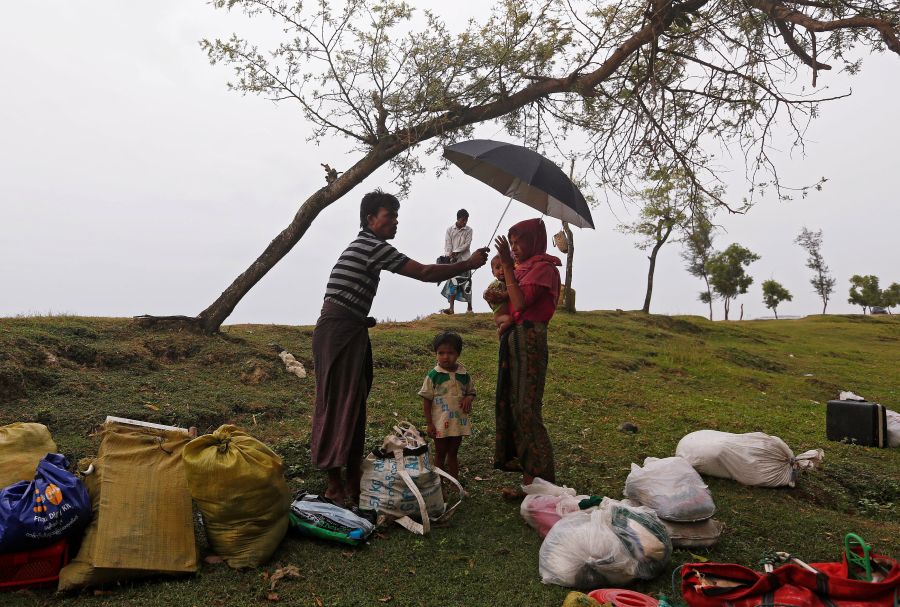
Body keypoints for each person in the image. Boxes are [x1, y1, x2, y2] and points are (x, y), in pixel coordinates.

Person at [312, 190, 489, 505]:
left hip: (350, 330)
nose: (394, 223)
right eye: (389, 216)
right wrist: (468, 265)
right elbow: (422, 272)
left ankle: (351, 481)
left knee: (352, 405)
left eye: (396, 217)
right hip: (339, 332)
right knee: (337, 404)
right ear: (370, 220)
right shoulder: (370, 246)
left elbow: (427, 269)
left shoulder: (368, 246)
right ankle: (334, 485)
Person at [492, 218, 562, 497]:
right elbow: (511, 307)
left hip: (530, 339)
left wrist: (508, 266)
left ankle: (544, 483)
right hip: (515, 339)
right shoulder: (521, 270)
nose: (514, 247)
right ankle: (530, 483)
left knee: (527, 408)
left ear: (534, 241)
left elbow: (520, 304)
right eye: (511, 242)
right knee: (514, 405)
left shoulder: (543, 269)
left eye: (519, 241)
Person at [418, 331, 475, 481]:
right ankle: (438, 484)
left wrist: (469, 398)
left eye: (450, 352)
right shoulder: (433, 375)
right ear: (435, 354)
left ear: (458, 354)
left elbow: (471, 392)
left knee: (453, 453)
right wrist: (429, 423)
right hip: (439, 424)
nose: (445, 356)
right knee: (440, 452)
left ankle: (454, 483)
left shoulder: (464, 374)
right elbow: (426, 399)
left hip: (458, 423)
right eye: (441, 353)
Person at [440, 209, 474, 314]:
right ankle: (451, 308)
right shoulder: (450, 230)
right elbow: (447, 244)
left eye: (466, 220)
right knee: (452, 283)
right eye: (463, 220)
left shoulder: (469, 230)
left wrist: (455, 252)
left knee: (467, 283)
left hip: (465, 261)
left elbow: (466, 245)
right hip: (453, 262)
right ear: (458, 219)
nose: (465, 222)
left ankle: (469, 308)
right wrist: (450, 254)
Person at [483, 255, 513, 336]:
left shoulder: (510, 282)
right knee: (509, 320)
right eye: (498, 267)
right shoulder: (495, 284)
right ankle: (500, 332)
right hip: (500, 316)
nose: (501, 270)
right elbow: (488, 296)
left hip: (507, 312)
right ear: (493, 273)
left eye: (504, 266)